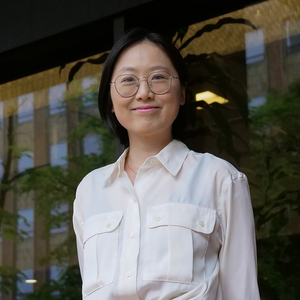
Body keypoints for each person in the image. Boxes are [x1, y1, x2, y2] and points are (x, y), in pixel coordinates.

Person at [73, 28, 261, 300]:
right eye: (128, 80)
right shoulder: (89, 191)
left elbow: (242, 293)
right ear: (110, 100)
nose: (144, 92)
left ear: (182, 94)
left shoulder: (220, 179)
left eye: (158, 78)